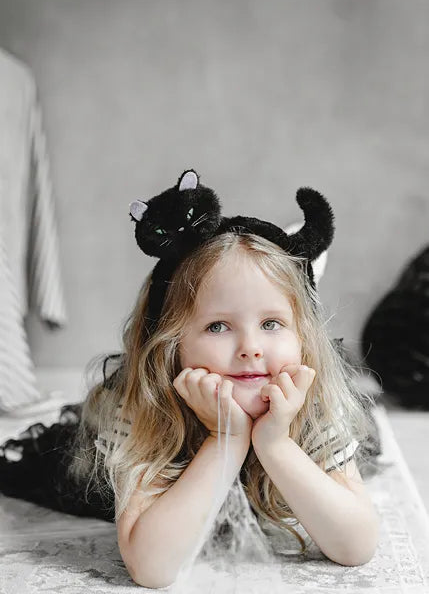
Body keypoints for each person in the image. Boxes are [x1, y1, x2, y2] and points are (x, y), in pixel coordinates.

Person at [0, 169, 380, 588]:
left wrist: (275, 443)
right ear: (171, 343)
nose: (250, 348)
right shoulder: (140, 407)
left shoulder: (313, 398)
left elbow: (356, 546)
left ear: (303, 336)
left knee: (365, 440)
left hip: (293, 429)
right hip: (165, 429)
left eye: (271, 324)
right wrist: (226, 439)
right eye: (218, 326)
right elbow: (152, 569)